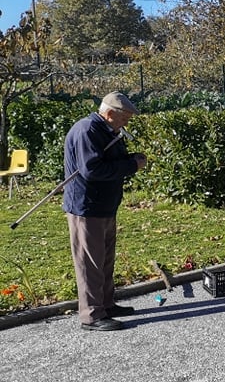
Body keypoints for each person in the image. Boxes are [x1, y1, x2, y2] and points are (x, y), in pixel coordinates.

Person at [64, 91, 147, 332]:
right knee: (90, 262)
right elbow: (92, 170)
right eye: (125, 119)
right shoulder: (87, 131)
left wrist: (131, 159)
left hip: (106, 206)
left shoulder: (108, 130)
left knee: (105, 259)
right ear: (110, 114)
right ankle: (91, 315)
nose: (126, 124)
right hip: (87, 207)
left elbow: (112, 160)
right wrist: (132, 165)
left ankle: (106, 304)